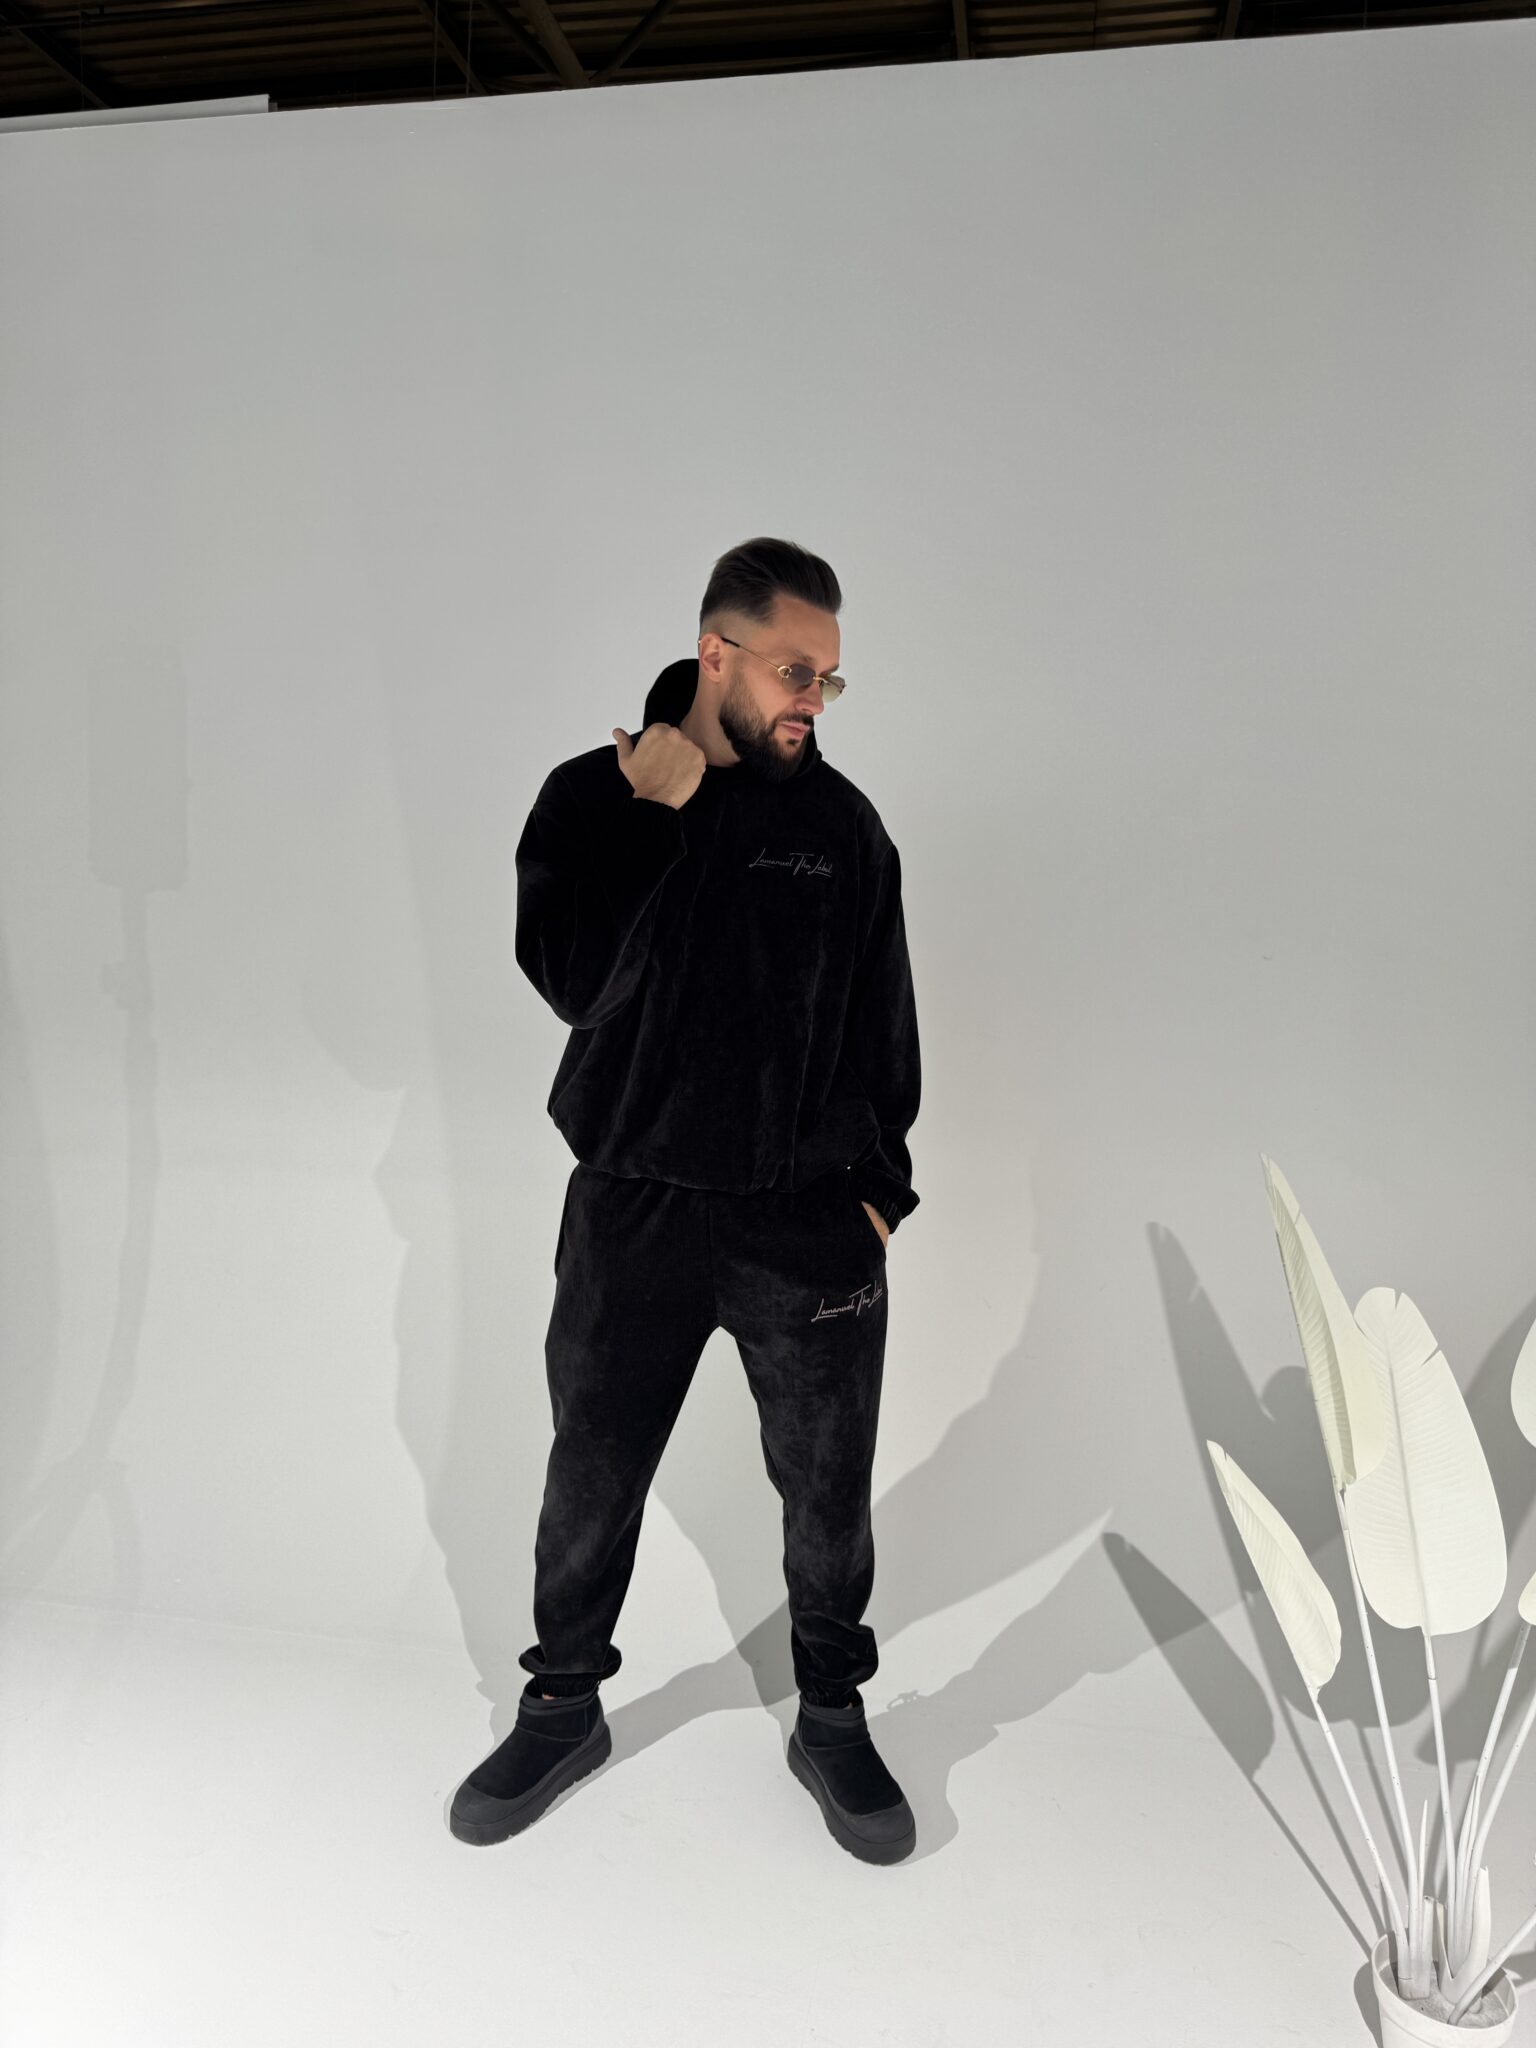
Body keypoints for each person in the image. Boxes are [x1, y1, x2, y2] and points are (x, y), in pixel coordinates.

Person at [450, 537, 922, 1863]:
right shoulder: (589, 796)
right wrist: (645, 814)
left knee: (827, 1494)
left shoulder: (843, 829)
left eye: (829, 679)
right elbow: (571, 982)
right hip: (634, 1210)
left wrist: (877, 1199)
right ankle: (562, 1707)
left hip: (805, 1226)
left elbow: (886, 1024)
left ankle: (831, 1713)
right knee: (590, 1475)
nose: (813, 700)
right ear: (718, 653)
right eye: (793, 671)